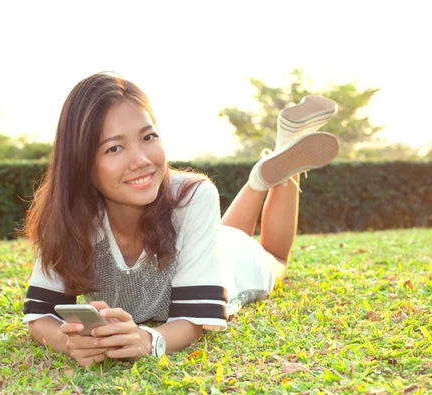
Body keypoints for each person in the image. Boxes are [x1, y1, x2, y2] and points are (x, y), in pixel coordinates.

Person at [22, 72, 338, 366]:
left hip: (229, 265)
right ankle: (261, 175)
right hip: (207, 244)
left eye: (148, 137)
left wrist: (147, 340)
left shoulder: (193, 194)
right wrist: (72, 343)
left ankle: (285, 158)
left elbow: (193, 322)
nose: (141, 161)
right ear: (81, 161)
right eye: (114, 148)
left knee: (275, 259)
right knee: (227, 234)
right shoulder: (70, 215)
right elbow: (39, 315)